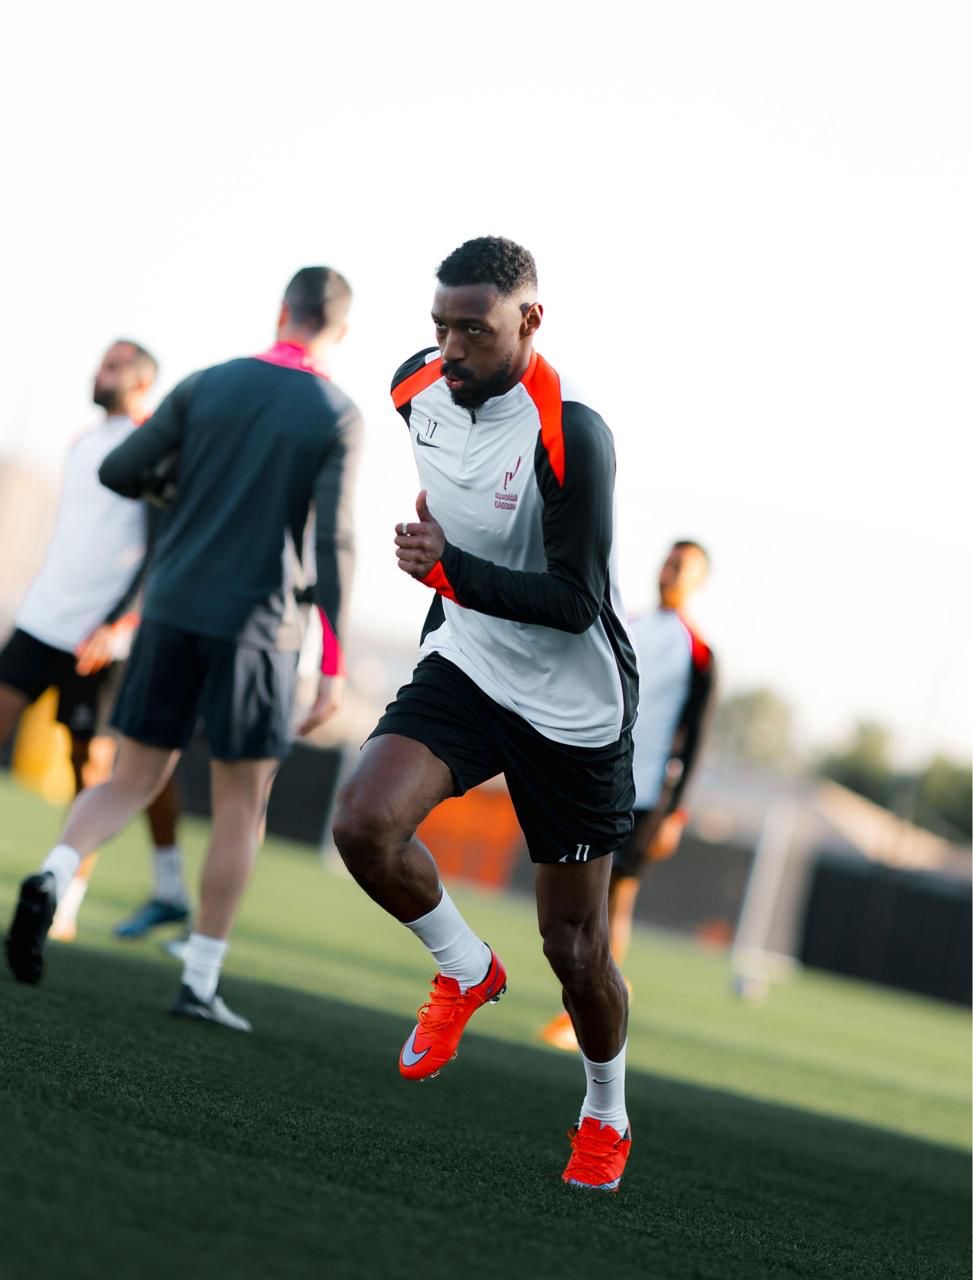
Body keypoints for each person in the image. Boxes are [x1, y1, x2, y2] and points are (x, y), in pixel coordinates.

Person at [332, 236, 637, 1191]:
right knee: (363, 823)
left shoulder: (571, 432)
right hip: (469, 663)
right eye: (440, 327)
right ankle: (464, 968)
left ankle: (604, 1110)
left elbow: (576, 602)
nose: (452, 348)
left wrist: (448, 568)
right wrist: (450, 568)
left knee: (574, 949)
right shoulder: (411, 388)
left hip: (572, 707)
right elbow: (454, 489)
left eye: (474, 329)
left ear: (529, 321)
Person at [5, 268, 362, 1032]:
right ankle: (199, 980)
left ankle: (54, 874)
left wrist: (184, 493)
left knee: (129, 779)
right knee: (241, 807)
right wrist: (331, 665)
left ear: (281, 312)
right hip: (258, 629)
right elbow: (333, 543)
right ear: (340, 331)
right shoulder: (336, 412)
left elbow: (120, 470)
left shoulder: (205, 382)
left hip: (169, 611)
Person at [0, 340, 188, 941]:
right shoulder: (82, 441)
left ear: (141, 384)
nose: (98, 373)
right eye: (101, 363)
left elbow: (160, 548)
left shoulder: (155, 447)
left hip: (98, 638)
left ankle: (66, 898)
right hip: (40, 619)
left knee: (90, 770)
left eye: (113, 367)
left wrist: (120, 623)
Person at [541, 541, 716, 1050]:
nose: (671, 571)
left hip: (647, 796)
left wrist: (675, 814)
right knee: (577, 894)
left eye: (683, 567)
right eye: (669, 561)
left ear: (699, 582)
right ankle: (602, 988)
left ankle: (589, 1004)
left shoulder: (699, 652)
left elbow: (697, 739)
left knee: (612, 897)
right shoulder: (628, 622)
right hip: (598, 780)